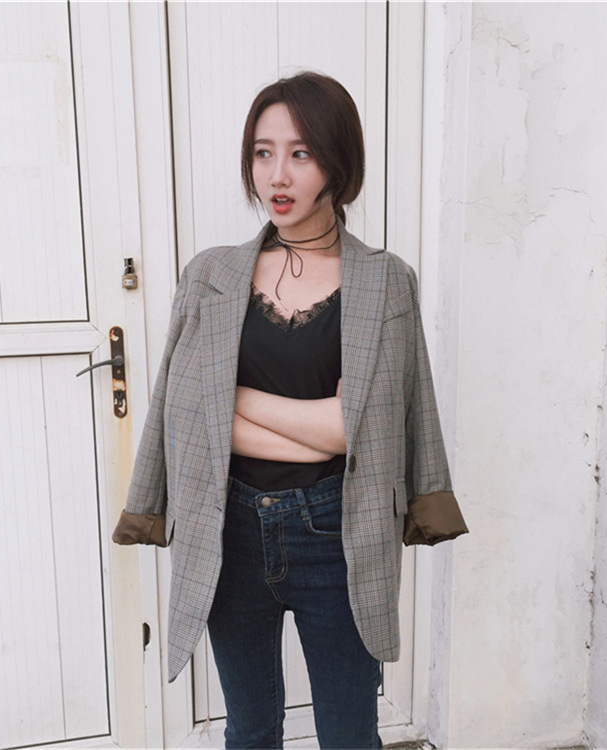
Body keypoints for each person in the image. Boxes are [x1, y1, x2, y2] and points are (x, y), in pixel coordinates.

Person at [112, 71, 468, 749]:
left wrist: (232, 400)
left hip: (338, 530)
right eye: (263, 152)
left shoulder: (385, 281)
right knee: (249, 730)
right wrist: (318, 426)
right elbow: (182, 415)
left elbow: (363, 429)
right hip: (228, 527)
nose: (277, 174)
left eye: (300, 153)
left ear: (338, 161)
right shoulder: (210, 275)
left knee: (349, 733)